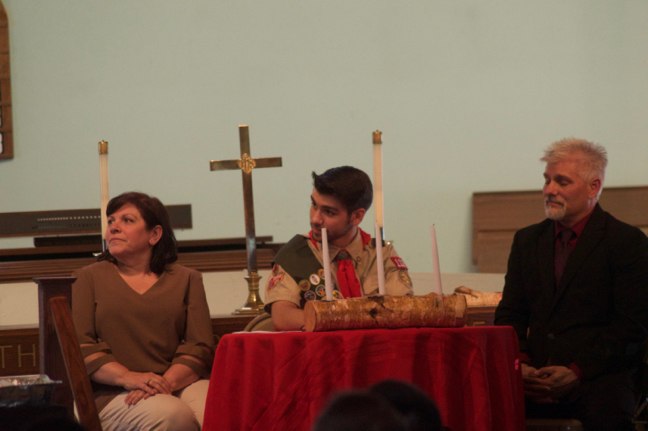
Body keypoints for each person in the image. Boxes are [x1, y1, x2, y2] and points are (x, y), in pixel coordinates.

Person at [494, 138, 648, 430]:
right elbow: (511, 313)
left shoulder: (627, 242)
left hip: (600, 378)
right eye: (547, 180)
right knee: (482, 407)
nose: (549, 190)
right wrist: (521, 364)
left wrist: (576, 371)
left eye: (562, 182)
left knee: (607, 416)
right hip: (534, 375)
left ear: (593, 187)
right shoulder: (527, 241)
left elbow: (632, 327)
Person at [72, 192, 215, 431]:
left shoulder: (187, 279)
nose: (114, 227)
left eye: (127, 220)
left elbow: (199, 347)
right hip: (111, 391)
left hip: (175, 382)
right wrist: (129, 377)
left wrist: (164, 383)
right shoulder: (87, 278)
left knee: (219, 409)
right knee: (173, 415)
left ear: (155, 234)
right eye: (111, 221)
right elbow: (81, 346)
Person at [264, 166, 414, 331]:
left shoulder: (381, 254)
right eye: (314, 205)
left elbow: (403, 310)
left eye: (329, 212)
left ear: (357, 216)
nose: (315, 219)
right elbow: (282, 317)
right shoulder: (295, 255)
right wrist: (343, 319)